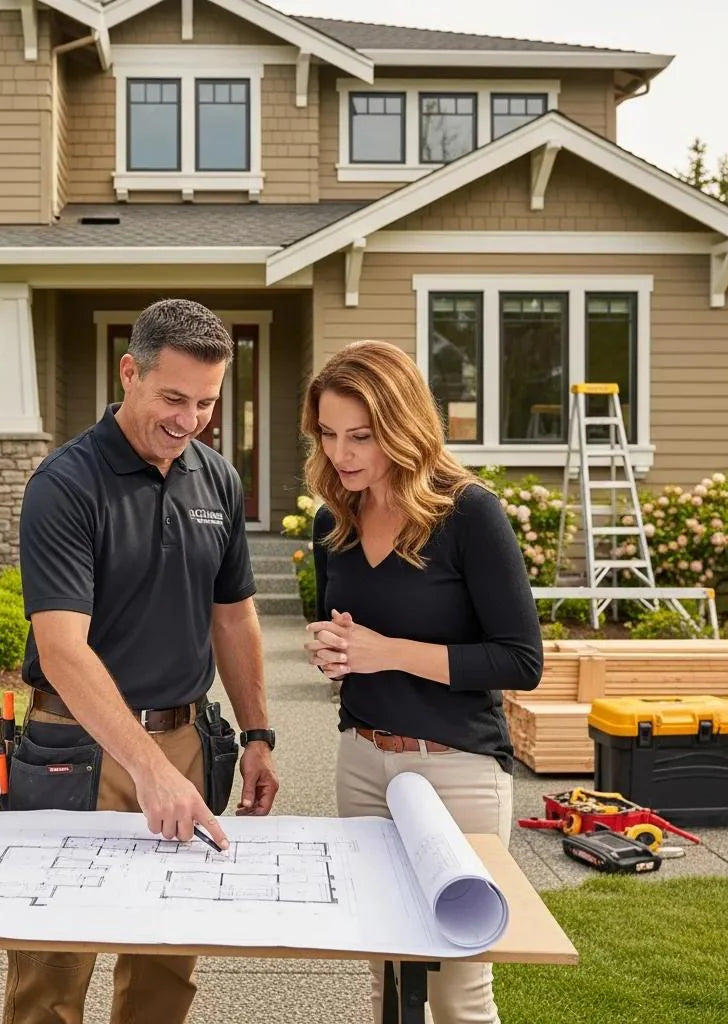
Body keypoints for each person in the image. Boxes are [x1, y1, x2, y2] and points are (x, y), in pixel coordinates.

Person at [7, 298, 279, 1024]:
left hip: (184, 742)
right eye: (172, 398)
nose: (188, 420)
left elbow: (233, 614)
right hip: (76, 748)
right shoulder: (66, 484)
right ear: (130, 372)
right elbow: (63, 650)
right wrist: (147, 768)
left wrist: (257, 735)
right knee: (51, 972)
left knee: (165, 962)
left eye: (206, 403)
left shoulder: (217, 479)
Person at [300, 340, 542, 1024]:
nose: (342, 453)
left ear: (402, 426)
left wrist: (387, 651)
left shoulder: (469, 514)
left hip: (458, 770)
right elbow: (353, 642)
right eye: (328, 433)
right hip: (362, 763)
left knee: (458, 992)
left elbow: (520, 660)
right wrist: (334, 651)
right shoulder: (333, 522)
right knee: (386, 978)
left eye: (362, 435)